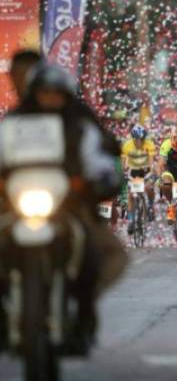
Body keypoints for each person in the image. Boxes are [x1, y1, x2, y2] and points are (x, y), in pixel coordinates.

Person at [0, 63, 126, 352]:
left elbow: (99, 157)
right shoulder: (13, 124)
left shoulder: (80, 124)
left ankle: (83, 317)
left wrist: (102, 178)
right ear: (33, 95)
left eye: (57, 94)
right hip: (15, 202)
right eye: (44, 94)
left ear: (66, 96)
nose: (50, 100)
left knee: (100, 251)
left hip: (68, 202)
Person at [121, 124, 157, 233]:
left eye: (141, 140)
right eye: (136, 140)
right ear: (133, 139)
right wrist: (123, 173)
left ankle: (150, 204)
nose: (139, 142)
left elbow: (151, 162)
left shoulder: (149, 145)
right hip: (133, 171)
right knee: (131, 194)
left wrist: (151, 173)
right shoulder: (127, 146)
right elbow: (123, 163)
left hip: (145, 170)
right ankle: (131, 220)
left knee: (149, 188)